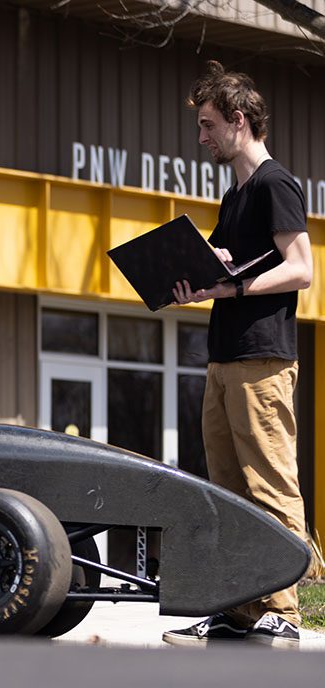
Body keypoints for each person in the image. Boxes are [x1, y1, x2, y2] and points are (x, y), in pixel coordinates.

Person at [162, 61, 313, 649]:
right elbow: (236, 271)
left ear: (239, 121)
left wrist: (236, 286)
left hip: (262, 361)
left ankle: (285, 610)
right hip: (224, 359)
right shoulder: (235, 194)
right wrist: (199, 282)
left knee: (270, 485)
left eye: (207, 125)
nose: (201, 138)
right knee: (228, 490)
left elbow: (302, 270)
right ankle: (242, 610)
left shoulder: (276, 184)